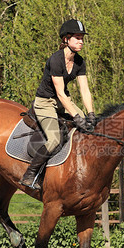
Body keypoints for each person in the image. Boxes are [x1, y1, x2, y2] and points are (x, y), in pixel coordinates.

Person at [20, 19, 97, 190]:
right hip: (45, 103)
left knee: (88, 127)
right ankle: (30, 174)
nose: (81, 41)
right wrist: (76, 117)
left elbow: (85, 90)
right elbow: (60, 94)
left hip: (63, 102)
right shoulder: (55, 60)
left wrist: (90, 114)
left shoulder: (80, 62)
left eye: (82, 38)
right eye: (77, 38)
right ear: (66, 39)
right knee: (54, 139)